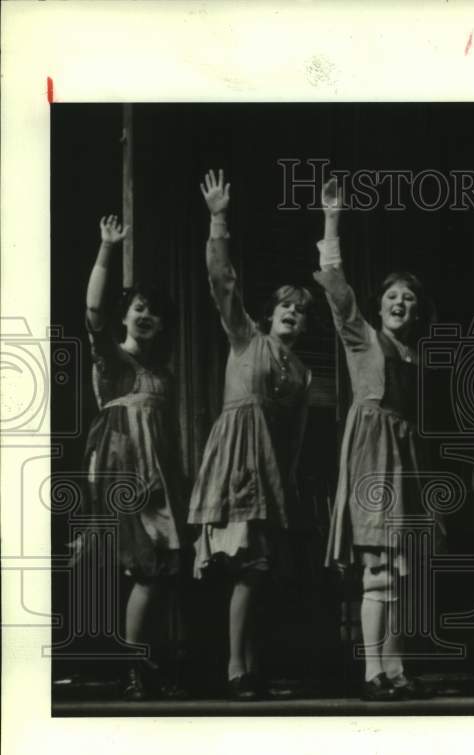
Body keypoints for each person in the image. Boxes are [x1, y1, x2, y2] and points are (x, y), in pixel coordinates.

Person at [187, 170, 313, 701]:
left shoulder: (302, 372)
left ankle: (250, 668)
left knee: (259, 573)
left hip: (269, 475)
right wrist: (218, 219)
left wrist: (288, 483)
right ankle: (235, 670)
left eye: (302, 310)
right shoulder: (246, 339)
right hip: (236, 465)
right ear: (270, 313)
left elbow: (297, 438)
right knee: (244, 570)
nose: (293, 312)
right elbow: (224, 284)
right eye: (286, 304)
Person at [314, 176, 438, 702]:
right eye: (392, 296)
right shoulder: (362, 338)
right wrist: (332, 221)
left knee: (400, 571)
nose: (400, 304)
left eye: (409, 299)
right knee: (380, 567)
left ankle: (395, 669)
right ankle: (371, 674)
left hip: (404, 458)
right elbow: (336, 289)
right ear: (379, 303)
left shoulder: (416, 355)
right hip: (372, 456)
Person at [82, 214, 187, 700]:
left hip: (159, 476)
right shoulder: (112, 357)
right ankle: (134, 669)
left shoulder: (161, 373)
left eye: (154, 312)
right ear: (127, 315)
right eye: (139, 309)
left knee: (163, 573)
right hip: (123, 468)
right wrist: (107, 249)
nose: (145, 316)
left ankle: (148, 663)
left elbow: (165, 435)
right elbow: (93, 310)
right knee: (147, 569)